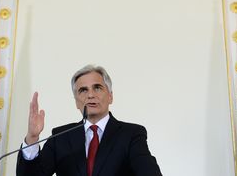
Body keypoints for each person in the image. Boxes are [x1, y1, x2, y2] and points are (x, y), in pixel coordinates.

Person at [16, 64, 162, 176]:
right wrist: (32, 138)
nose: (91, 95)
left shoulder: (131, 134)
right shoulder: (60, 136)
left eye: (97, 88)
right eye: (83, 90)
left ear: (110, 96)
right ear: (76, 102)